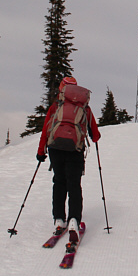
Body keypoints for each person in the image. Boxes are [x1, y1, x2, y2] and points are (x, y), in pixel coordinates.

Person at [36, 76, 101, 242]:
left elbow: (46, 130)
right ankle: (74, 221)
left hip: (55, 149)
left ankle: (59, 219)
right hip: (75, 150)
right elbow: (95, 134)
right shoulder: (84, 107)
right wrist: (93, 137)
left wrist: (41, 152)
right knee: (74, 184)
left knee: (59, 181)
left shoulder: (56, 106)